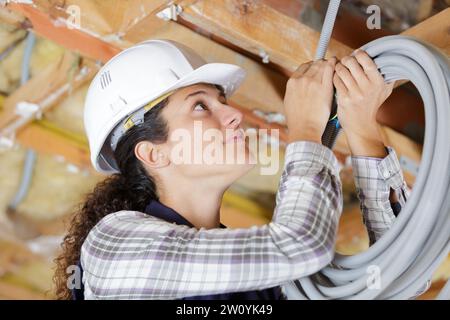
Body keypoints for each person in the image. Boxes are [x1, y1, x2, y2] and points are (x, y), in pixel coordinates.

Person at [54, 40, 411, 300]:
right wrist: (303, 131)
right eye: (199, 106)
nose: (234, 115)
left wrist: (362, 130)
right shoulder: (113, 247)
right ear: (153, 153)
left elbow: (395, 283)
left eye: (221, 101)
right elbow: (301, 246)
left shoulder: (261, 280)